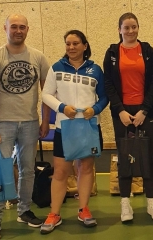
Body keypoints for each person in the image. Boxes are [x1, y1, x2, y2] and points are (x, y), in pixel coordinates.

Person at [0, 14, 50, 240]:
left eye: (22, 27)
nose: (18, 30)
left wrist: (45, 121)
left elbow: (46, 94)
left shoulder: (38, 58)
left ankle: (24, 211)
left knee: (27, 170)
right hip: (3, 124)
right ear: (5, 28)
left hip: (30, 123)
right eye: (14, 27)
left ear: (28, 30)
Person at [40, 30, 108, 234]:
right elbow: (45, 94)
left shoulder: (95, 70)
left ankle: (84, 209)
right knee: (61, 172)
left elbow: (104, 98)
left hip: (88, 127)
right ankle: (54, 214)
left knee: (85, 169)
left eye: (75, 43)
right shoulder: (56, 68)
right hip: (64, 128)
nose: (71, 47)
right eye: (68, 44)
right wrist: (62, 108)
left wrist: (94, 110)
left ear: (85, 46)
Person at [104, 12, 153, 222]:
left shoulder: (147, 51)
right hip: (122, 113)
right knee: (126, 156)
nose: (130, 31)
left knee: (147, 156)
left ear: (138, 28)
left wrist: (144, 110)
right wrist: (119, 110)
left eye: (134, 27)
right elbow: (108, 84)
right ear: (119, 29)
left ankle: (151, 202)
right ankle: (125, 203)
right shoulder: (112, 52)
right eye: (126, 27)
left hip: (145, 111)